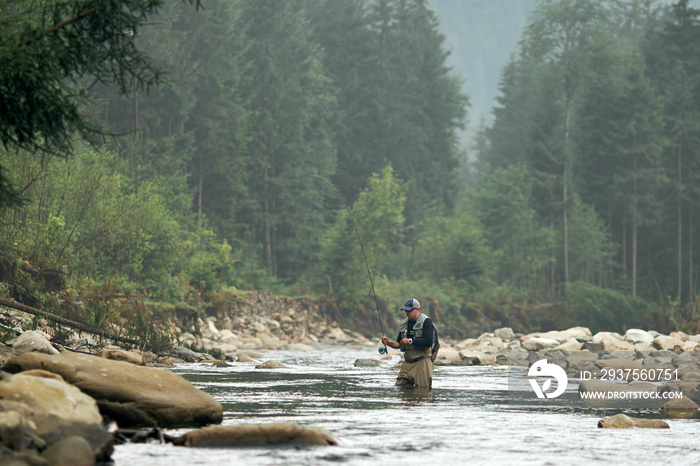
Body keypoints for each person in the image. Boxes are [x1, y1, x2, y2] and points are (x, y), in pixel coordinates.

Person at [381, 298, 435, 388]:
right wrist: (388, 342)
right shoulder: (405, 324)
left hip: (422, 363)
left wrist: (410, 341)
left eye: (409, 310)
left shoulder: (426, 321)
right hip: (407, 364)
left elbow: (428, 341)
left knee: (422, 393)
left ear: (417, 309)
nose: (407, 313)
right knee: (400, 388)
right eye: (406, 310)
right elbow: (399, 343)